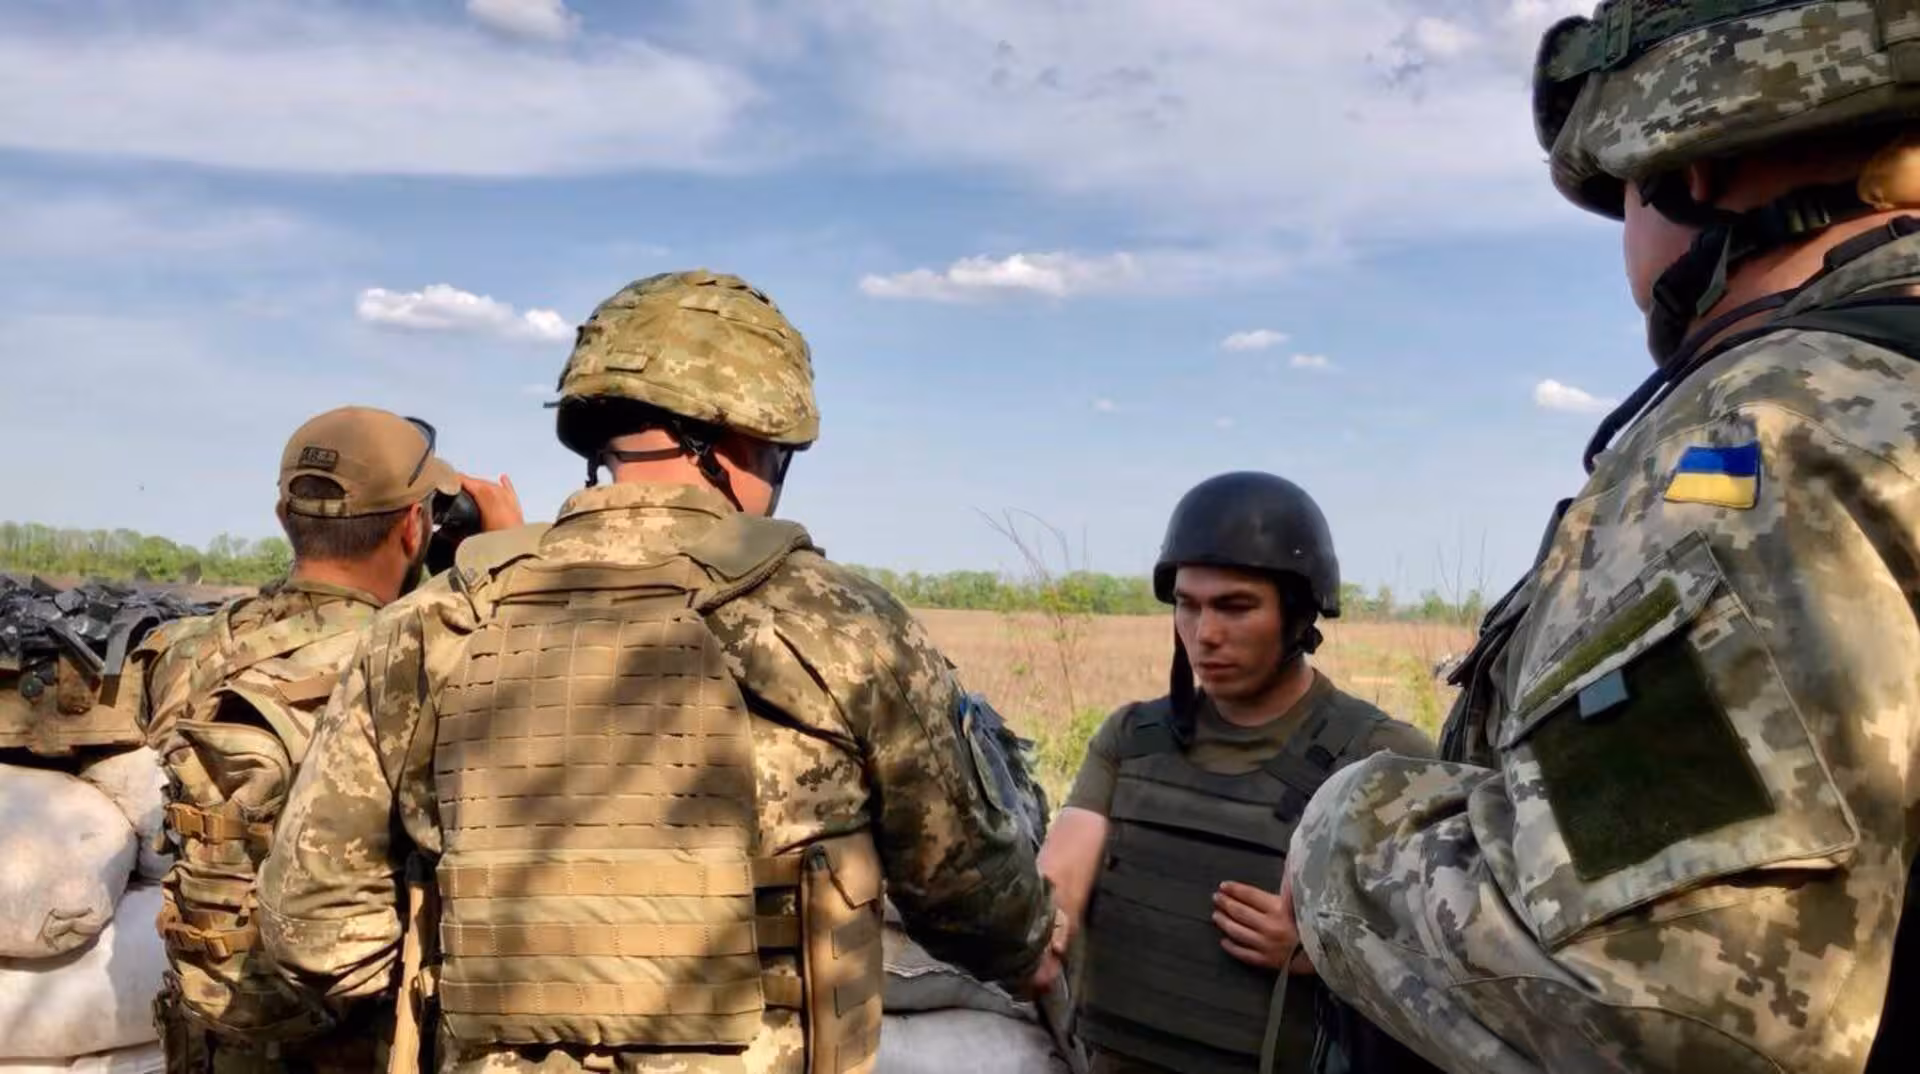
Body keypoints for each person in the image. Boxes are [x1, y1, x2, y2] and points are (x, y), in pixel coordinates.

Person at [1279, 3, 1920, 1071]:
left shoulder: (1771, 426)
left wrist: (1345, 835)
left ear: (1691, 168)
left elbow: (1668, 998)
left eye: (1623, 193)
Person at [254, 269, 1064, 1074]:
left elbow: (315, 932)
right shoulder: (842, 624)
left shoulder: (426, 628)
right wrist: (1032, 949)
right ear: (751, 437)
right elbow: (974, 902)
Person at [137, 405, 521, 1074]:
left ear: (283, 517)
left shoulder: (185, 651)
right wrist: (508, 559)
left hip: (213, 1034)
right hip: (355, 1039)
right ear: (414, 525)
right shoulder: (424, 661)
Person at [1036, 471, 1436, 1074]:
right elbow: (1060, 878)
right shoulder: (1132, 739)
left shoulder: (1380, 756)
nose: (1205, 634)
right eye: (1187, 605)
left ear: (1298, 616)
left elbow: (1458, 956)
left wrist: (1325, 952)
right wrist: (1038, 930)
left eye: (1236, 606)